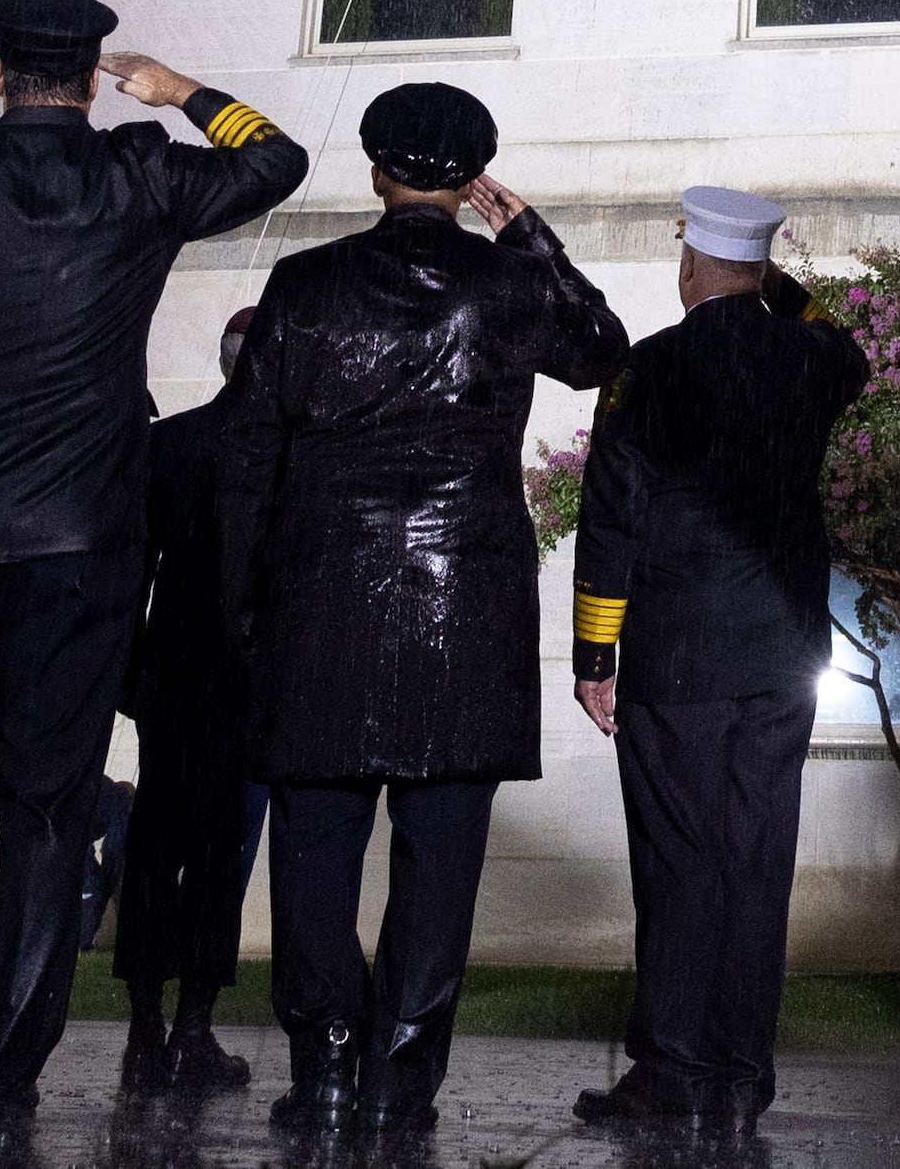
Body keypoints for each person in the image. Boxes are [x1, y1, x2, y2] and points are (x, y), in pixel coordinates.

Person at [0, 0, 305, 1113]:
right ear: (89, 82)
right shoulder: (138, 172)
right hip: (81, 546)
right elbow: (274, 160)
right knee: (45, 810)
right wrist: (181, 94)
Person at [222, 83, 625, 1141]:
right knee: (439, 863)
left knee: (313, 851)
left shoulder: (305, 282)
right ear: (470, 175)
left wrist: (241, 605)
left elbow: (248, 453)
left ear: (372, 167)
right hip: (466, 607)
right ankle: (400, 1075)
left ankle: (325, 1064)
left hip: (321, 602)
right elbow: (603, 351)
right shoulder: (509, 286)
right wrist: (528, 232)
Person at [566, 186, 872, 1135]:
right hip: (781, 652)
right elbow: (851, 354)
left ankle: (666, 1072)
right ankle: (740, 1080)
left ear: (691, 264)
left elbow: (612, 517)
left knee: (680, 863)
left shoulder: (648, 368)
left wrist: (594, 650)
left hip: (679, 653)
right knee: (756, 861)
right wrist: (775, 279)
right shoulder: (810, 358)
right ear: (763, 267)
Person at [112, 308, 269, 1092]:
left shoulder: (169, 442)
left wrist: (127, 671)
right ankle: (192, 1027)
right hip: (240, 678)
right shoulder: (282, 449)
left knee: (155, 844)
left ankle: (146, 1025)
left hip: (171, 672)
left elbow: (133, 569)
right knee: (219, 851)